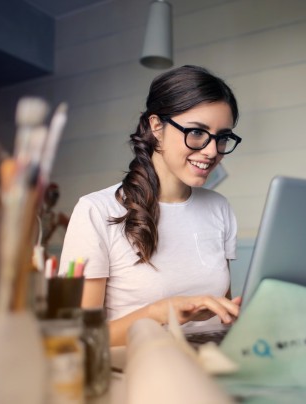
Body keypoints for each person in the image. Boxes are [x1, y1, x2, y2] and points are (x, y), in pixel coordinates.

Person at [59, 65, 243, 346]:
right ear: (157, 126)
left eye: (222, 137)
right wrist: (159, 313)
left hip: (210, 365)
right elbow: (80, 337)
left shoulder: (219, 208)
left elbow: (222, 313)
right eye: (196, 132)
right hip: (140, 370)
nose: (212, 151)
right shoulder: (96, 211)